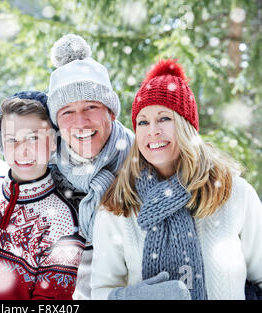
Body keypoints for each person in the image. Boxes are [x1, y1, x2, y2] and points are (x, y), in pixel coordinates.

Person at [91, 59, 262, 300]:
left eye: (164, 118)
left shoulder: (234, 194)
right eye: (143, 122)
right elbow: (99, 293)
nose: (153, 131)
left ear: (186, 126)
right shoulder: (119, 207)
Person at [46, 34, 134, 299]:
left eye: (91, 106)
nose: (80, 122)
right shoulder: (46, 173)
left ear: (111, 112)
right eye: (67, 112)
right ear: (57, 122)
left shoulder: (145, 161)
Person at [0, 91, 85, 300]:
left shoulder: (61, 221)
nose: (22, 151)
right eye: (12, 140)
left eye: (34, 138)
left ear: (54, 142)